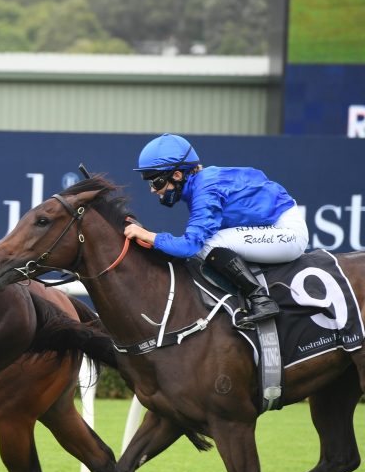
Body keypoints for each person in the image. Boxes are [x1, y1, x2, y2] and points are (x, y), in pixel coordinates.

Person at [123, 133, 309, 328]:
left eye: (156, 182)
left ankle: (261, 300)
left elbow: (190, 246)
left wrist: (148, 235)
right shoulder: (201, 184)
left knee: (210, 245)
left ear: (177, 175)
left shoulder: (206, 189)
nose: (153, 190)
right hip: (273, 225)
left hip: (287, 232)